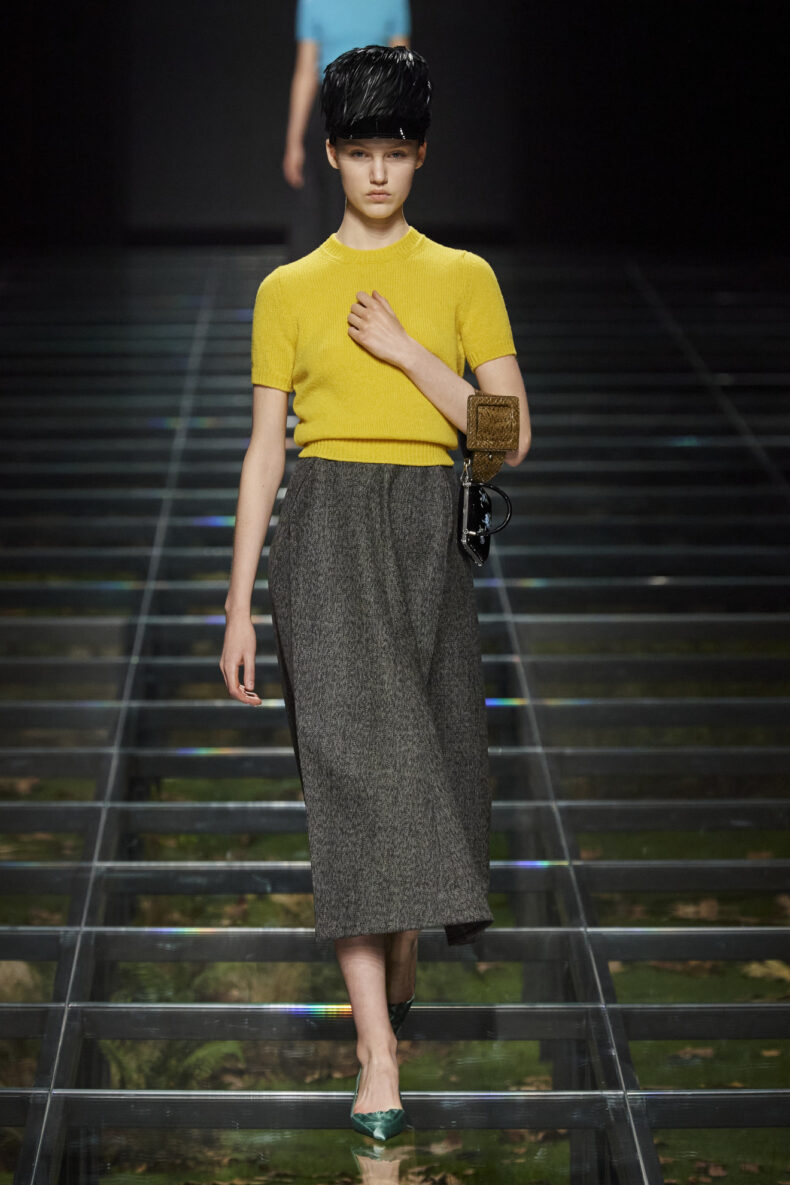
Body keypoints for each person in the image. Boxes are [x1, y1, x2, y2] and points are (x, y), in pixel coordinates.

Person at [221, 45, 531, 1140]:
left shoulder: (462, 278)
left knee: (432, 769)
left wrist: (407, 353)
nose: (379, 172)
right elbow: (265, 451)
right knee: (354, 783)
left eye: (396, 151)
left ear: (422, 156)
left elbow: (505, 438)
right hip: (324, 538)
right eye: (360, 152)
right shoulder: (286, 290)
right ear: (332, 156)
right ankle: (376, 1052)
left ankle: (401, 942)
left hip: (428, 537)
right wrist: (236, 603)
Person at [283, 0, 411, 260]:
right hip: (333, 110)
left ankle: (367, 276)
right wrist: (294, 142)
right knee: (323, 205)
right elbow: (306, 72)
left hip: (374, 111)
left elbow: (402, 70)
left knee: (369, 201)